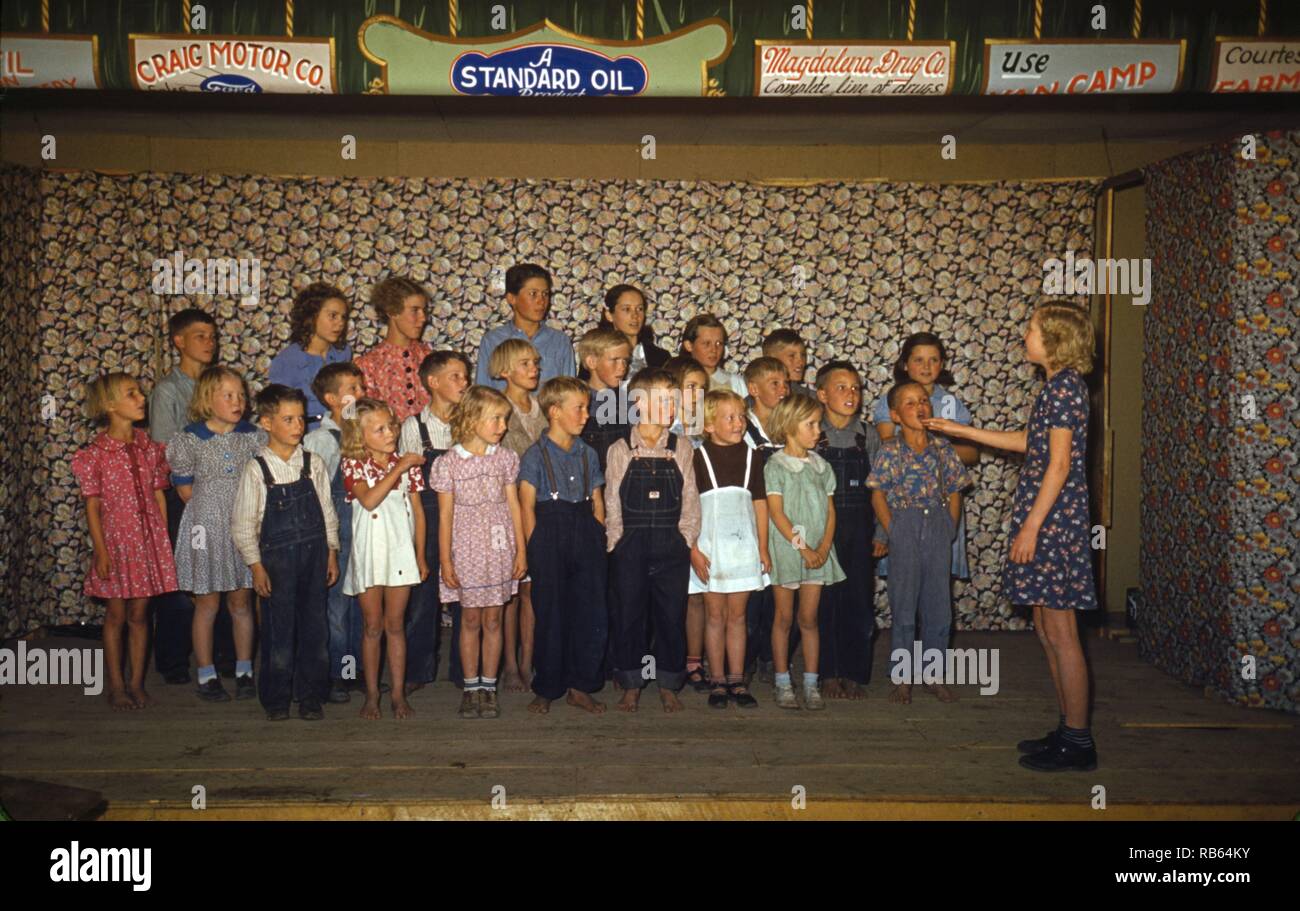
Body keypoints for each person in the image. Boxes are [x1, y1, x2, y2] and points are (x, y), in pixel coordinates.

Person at [924, 302, 1099, 772]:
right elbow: (1029, 444)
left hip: (1054, 521)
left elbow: (1058, 466)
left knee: (1061, 632)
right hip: (1049, 517)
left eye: (1033, 328)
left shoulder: (1064, 388)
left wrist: (1032, 526)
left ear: (1055, 339)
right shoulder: (1055, 387)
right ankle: (1067, 729)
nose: (1026, 335)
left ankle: (1079, 741)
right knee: (1046, 628)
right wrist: (961, 430)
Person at [232, 385, 340, 721]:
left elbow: (327, 512)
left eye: (300, 419)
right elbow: (243, 523)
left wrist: (332, 552)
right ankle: (277, 698)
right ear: (266, 423)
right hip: (276, 561)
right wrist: (256, 566)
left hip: (313, 556)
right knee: (279, 631)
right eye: (288, 419)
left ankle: (311, 696)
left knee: (315, 630)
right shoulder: (257, 469)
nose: (297, 426)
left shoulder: (313, 463)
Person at [72, 373, 179, 710]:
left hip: (147, 543)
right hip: (116, 544)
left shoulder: (150, 447)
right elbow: (93, 506)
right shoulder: (95, 454)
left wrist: (162, 543)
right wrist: (100, 551)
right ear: (109, 406)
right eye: (131, 394)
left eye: (140, 392)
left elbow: (159, 495)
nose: (141, 398)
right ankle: (116, 685)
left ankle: (136, 683)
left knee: (140, 614)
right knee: (116, 615)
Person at [604, 368, 702, 713]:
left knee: (670, 616)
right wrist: (615, 542)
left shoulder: (681, 446)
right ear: (638, 403)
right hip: (631, 544)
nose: (670, 407)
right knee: (630, 614)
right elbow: (612, 500)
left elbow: (690, 497)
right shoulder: (620, 448)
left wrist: (686, 538)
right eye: (662, 400)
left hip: (670, 545)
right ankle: (632, 683)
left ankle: (668, 682)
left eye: (673, 401)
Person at [868, 381, 969, 706]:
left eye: (923, 400)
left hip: (937, 523)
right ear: (895, 415)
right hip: (905, 524)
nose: (920, 406)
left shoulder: (943, 449)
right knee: (905, 605)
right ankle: (902, 678)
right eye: (910, 403)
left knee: (939, 606)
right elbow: (878, 493)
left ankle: (934, 675)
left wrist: (949, 526)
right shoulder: (889, 450)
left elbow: (955, 489)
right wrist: (893, 529)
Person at [166, 366, 263, 704]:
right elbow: (185, 490)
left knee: (241, 601)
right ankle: (206, 674)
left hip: (243, 528)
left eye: (241, 395)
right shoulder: (190, 439)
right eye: (228, 395)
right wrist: (212, 518)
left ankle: (244, 669)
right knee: (207, 603)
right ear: (208, 399)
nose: (238, 401)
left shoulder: (252, 436)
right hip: (204, 529)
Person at [432, 386, 527, 720]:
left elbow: (513, 505)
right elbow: (444, 516)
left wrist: (520, 551)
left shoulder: (505, 458)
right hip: (466, 547)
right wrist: (445, 559)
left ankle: (489, 687)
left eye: (504, 418)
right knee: (470, 619)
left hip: (500, 547)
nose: (502, 425)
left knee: (494, 618)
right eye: (496, 418)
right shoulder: (449, 463)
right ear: (471, 419)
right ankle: (471, 688)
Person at [147, 308, 231, 684]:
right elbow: (165, 450)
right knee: (184, 579)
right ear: (178, 341)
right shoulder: (168, 391)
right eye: (199, 336)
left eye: (212, 336)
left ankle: (225, 656)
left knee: (226, 574)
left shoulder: (220, 383)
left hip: (222, 495)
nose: (209, 343)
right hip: (185, 496)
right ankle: (172, 659)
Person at [519, 376, 609, 715]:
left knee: (590, 612)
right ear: (555, 412)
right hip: (549, 533)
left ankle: (581, 686)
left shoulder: (588, 453)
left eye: (587, 408)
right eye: (579, 409)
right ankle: (548, 686)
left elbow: (597, 500)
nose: (586, 415)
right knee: (551, 613)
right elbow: (527, 506)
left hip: (585, 530)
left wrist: (597, 535)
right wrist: (534, 549)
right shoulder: (534, 455)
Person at [340, 398, 428, 720]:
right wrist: (399, 467)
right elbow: (369, 500)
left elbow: (418, 513)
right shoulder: (354, 464)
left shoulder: (407, 466)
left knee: (395, 624)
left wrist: (420, 554)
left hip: (400, 551)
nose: (390, 432)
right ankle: (372, 695)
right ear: (360, 435)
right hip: (370, 552)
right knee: (372, 625)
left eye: (391, 425)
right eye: (379, 429)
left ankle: (399, 694)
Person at [764, 393, 845, 711]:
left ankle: (811, 682)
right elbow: (777, 514)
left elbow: (830, 510)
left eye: (818, 424)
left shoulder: (821, 466)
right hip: (789, 552)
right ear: (788, 426)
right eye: (810, 424)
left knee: (809, 618)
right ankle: (783, 681)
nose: (817, 431)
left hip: (818, 555)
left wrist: (823, 547)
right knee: (784, 618)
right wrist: (803, 548)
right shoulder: (776, 465)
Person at [689, 390, 768, 709]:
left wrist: (763, 547)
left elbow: (760, 504)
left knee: (738, 616)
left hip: (742, 548)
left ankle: (737, 679)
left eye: (741, 416)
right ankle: (717, 679)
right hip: (710, 548)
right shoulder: (697, 457)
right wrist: (693, 548)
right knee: (715, 615)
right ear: (709, 424)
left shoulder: (753, 457)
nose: (738, 423)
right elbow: (689, 509)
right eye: (730, 417)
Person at [398, 351, 470, 692]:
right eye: (455, 376)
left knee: (462, 595)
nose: (464, 382)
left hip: (465, 516)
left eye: (465, 376)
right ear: (433, 382)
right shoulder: (415, 427)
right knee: (423, 596)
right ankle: (417, 670)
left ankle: (463, 669)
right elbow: (410, 487)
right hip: (427, 516)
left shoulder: (470, 423)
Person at [814, 361, 881, 700]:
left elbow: (881, 490)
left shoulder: (867, 435)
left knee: (858, 600)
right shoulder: (812, 432)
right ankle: (827, 672)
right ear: (822, 394)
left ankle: (855, 672)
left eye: (855, 387)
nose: (850, 394)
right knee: (824, 601)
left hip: (858, 528)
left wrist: (881, 532)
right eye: (841, 387)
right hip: (821, 530)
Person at [303, 362, 367, 702]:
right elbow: (317, 493)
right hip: (336, 530)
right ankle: (335, 675)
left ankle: (352, 669)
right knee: (338, 608)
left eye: (361, 388)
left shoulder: (363, 431)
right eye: (352, 390)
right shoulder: (320, 439)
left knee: (359, 605)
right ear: (330, 399)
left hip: (363, 529)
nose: (360, 394)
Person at [475, 263, 575, 389]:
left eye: (545, 294)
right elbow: (482, 392)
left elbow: (569, 392)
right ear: (512, 298)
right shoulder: (493, 340)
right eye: (533, 294)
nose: (541, 301)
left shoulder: (559, 341)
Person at [267, 282, 352, 427]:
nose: (340, 323)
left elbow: (350, 399)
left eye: (343, 317)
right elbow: (279, 414)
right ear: (312, 316)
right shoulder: (287, 361)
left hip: (344, 431)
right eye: (333, 316)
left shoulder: (343, 352)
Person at [355, 276, 431, 422]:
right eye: (415, 310)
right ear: (392, 311)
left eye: (424, 310)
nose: (423, 318)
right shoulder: (368, 365)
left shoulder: (430, 359)